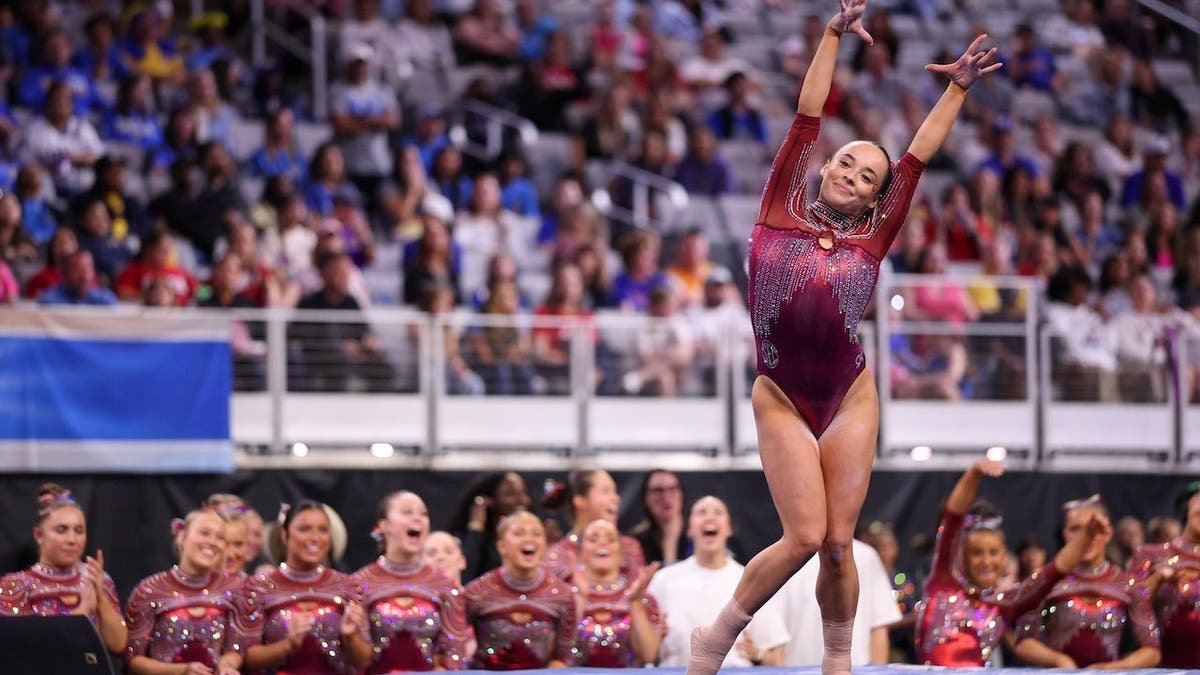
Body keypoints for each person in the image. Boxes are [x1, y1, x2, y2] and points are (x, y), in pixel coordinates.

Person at [687, 0, 1000, 672]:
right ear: (825, 168)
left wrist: (957, 89)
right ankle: (714, 637)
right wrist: (831, 35)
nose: (855, 176)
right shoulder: (778, 206)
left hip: (849, 395)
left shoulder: (873, 240)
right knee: (802, 535)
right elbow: (808, 113)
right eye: (848, 164)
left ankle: (838, 660)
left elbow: (915, 157)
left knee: (838, 541)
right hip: (780, 393)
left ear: (870, 201)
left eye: (868, 179)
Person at [915, 458, 1105, 665]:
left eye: (994, 552)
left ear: (1004, 556)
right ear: (962, 556)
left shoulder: (1006, 603)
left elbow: (1055, 571)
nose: (987, 561)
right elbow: (952, 518)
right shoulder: (944, 581)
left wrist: (1087, 537)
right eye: (977, 553)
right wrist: (973, 474)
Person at [1014, 495, 1161, 668]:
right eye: (1076, 529)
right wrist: (1058, 661)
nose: (1086, 536)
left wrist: (1113, 668)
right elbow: (1023, 643)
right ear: (1064, 534)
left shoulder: (1128, 584)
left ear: (1108, 533)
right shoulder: (1046, 581)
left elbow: (1152, 650)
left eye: (1094, 529)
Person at [651, 496, 790, 668]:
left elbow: (776, 658)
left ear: (729, 528)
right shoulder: (663, 580)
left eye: (717, 512)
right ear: (689, 529)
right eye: (701, 512)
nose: (709, 517)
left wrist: (758, 654)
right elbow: (644, 653)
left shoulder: (752, 581)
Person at [243, 500, 372, 674]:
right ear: (284, 534)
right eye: (304, 529)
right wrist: (288, 645)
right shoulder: (259, 587)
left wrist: (350, 637)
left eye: (323, 530)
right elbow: (245, 659)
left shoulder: (348, 586)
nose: (315, 538)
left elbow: (364, 661)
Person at [0, 484, 127, 656]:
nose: (72, 539)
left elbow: (118, 645)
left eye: (79, 530)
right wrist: (82, 612)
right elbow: (20, 645)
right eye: (61, 530)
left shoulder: (99, 580)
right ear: (39, 535)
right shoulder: (15, 584)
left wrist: (100, 598)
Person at [351, 491, 471, 672]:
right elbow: (356, 663)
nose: (417, 518)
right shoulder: (359, 584)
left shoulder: (445, 586)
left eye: (423, 514)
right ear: (384, 525)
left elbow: (454, 659)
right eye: (407, 512)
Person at [124, 508, 250, 675]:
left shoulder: (233, 590)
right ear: (182, 537)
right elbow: (132, 660)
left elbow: (235, 650)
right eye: (204, 533)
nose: (212, 542)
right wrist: (180, 670)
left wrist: (227, 666)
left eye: (220, 537)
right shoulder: (150, 589)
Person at [463, 511, 579, 669]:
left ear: (545, 544)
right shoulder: (476, 593)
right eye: (519, 533)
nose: (529, 539)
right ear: (502, 546)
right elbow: (454, 647)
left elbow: (564, 657)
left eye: (537, 534)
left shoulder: (563, 595)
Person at [779, 538, 898, 666]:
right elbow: (774, 644)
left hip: (856, 668)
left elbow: (879, 627)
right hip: (799, 668)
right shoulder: (783, 557)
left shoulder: (866, 556)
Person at [1128, 481, 1200, 667]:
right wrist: (1158, 578)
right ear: (1190, 503)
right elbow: (1131, 603)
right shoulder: (1150, 555)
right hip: (1161, 668)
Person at [576, 519, 663, 667]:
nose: (602, 543)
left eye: (611, 539)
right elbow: (560, 654)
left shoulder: (643, 597)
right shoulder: (566, 596)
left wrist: (635, 602)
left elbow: (648, 655)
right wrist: (577, 598)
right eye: (593, 539)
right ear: (580, 551)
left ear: (622, 552)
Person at [543, 469, 646, 582]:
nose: (616, 498)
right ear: (580, 500)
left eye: (615, 492)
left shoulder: (629, 548)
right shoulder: (556, 557)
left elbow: (641, 595)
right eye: (606, 491)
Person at [450, 471, 533, 583]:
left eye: (523, 493)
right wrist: (476, 528)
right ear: (491, 500)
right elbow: (464, 576)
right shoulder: (473, 538)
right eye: (510, 494)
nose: (520, 500)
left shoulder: (535, 538)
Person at [627, 469, 689, 566]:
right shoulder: (635, 542)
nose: (666, 496)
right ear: (645, 497)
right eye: (658, 490)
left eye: (672, 489)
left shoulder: (696, 536)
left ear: (681, 494)